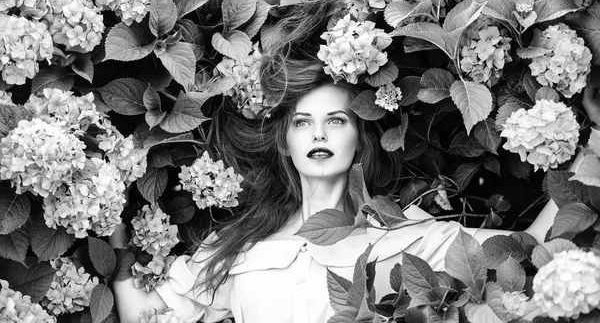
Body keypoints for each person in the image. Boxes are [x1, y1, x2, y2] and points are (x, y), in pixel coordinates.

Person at [110, 49, 559, 322]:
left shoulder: (409, 238)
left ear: (359, 140)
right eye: (303, 123)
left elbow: (532, 248)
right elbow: (140, 312)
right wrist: (105, 197)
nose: (319, 135)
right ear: (285, 144)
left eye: (336, 121)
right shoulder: (240, 246)